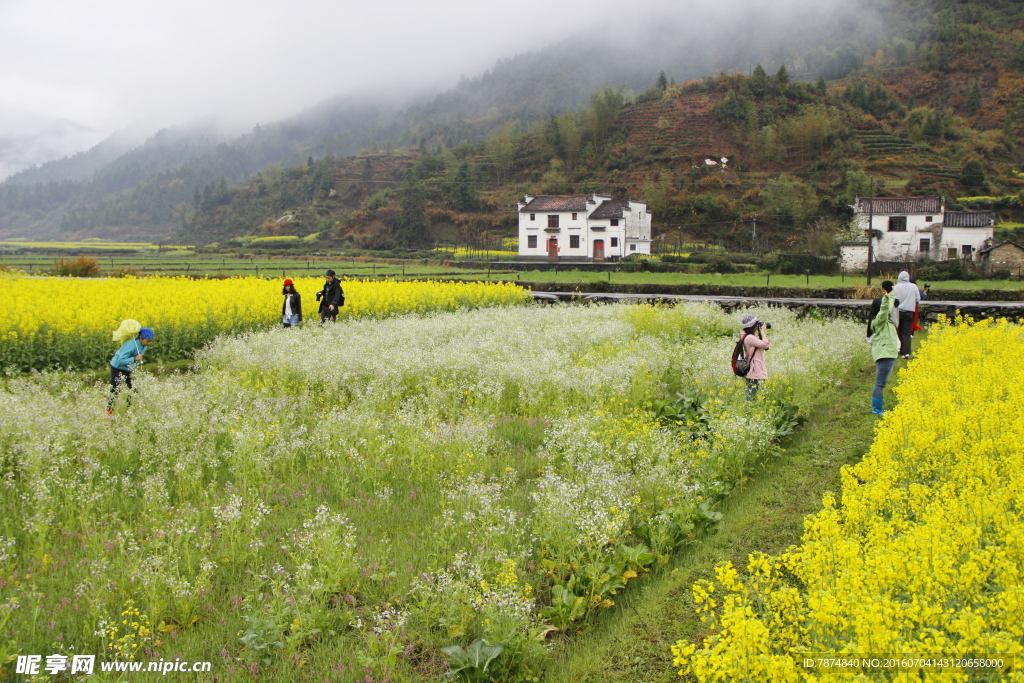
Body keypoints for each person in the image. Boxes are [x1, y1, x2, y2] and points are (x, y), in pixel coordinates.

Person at [868, 280, 899, 415]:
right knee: (880, 383)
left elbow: (890, 305)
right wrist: (886, 300)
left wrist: (891, 292)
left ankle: (878, 408)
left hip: (888, 353)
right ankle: (877, 409)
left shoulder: (885, 321)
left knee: (882, 383)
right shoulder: (878, 321)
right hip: (885, 354)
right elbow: (885, 309)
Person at [108, 323, 154, 413]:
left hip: (129, 368)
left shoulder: (143, 345)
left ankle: (128, 411)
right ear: (141, 338)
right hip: (118, 367)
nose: (149, 343)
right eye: (148, 341)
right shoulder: (131, 345)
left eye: (150, 341)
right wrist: (134, 359)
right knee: (115, 389)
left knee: (133, 389)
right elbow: (121, 360)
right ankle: (109, 412)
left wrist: (134, 364)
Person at [740, 314, 770, 400]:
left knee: (753, 394)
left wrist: (761, 333)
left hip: (754, 369)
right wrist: (763, 332)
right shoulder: (749, 338)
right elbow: (765, 344)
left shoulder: (749, 337)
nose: (758, 326)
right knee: (751, 395)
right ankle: (747, 411)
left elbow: (766, 347)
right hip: (754, 370)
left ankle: (749, 410)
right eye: (756, 324)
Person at [893, 271, 921, 359]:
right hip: (909, 312)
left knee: (899, 331)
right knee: (907, 332)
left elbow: (892, 299)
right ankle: (906, 352)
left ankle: (900, 349)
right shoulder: (913, 287)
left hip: (898, 312)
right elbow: (918, 299)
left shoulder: (896, 287)